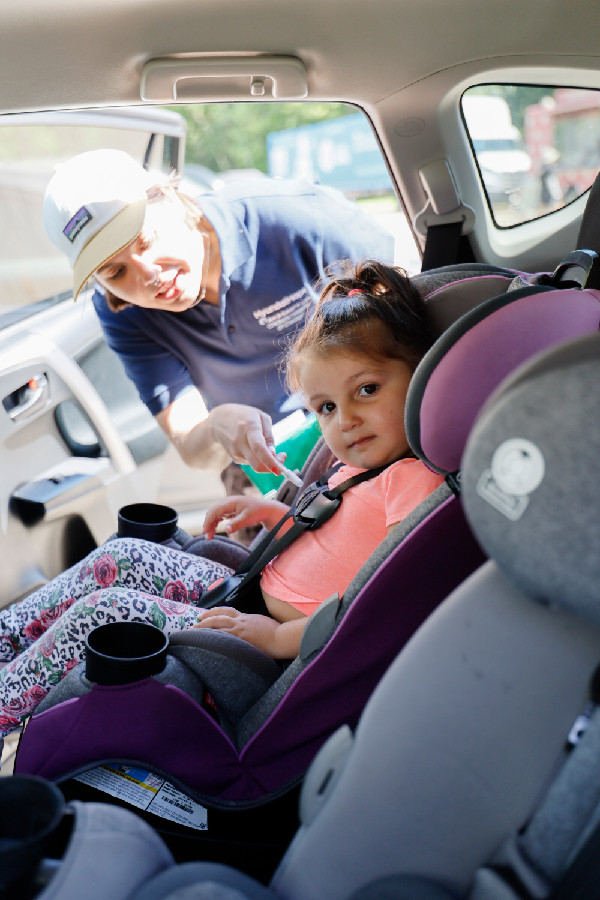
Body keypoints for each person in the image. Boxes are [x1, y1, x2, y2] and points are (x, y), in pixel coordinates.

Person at [0, 260, 443, 738]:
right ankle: (5, 639)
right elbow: (345, 536)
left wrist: (277, 638)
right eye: (327, 408)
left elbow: (385, 603)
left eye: (368, 390)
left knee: (102, 611)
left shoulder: (415, 481)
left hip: (267, 653)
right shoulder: (366, 468)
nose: (346, 420)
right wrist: (278, 515)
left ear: (422, 375)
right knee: (121, 555)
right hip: (249, 595)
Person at [42, 149, 395, 481]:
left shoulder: (294, 219)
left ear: (172, 199)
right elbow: (193, 447)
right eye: (115, 272)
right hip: (269, 464)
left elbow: (411, 319)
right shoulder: (122, 312)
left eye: (145, 241)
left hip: (374, 420)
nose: (147, 275)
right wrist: (215, 428)